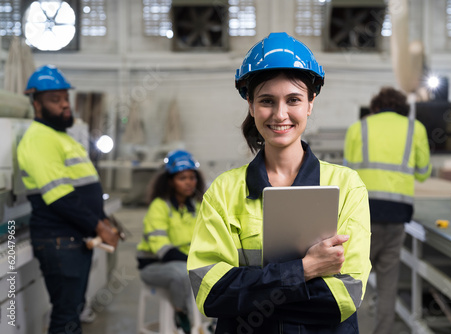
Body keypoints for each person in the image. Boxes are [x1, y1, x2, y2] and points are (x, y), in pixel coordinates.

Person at [187, 32, 371, 334]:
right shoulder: (225, 191)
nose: (280, 114)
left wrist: (251, 292)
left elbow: (343, 297)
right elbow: (211, 294)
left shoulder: (346, 186)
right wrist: (306, 269)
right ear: (250, 104)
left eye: (294, 100)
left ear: (311, 103)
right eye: (267, 101)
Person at [17, 65, 119, 334]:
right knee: (66, 315)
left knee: (72, 310)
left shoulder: (61, 136)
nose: (64, 105)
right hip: (59, 240)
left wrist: (104, 220)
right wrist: (99, 227)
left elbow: (83, 187)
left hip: (72, 238)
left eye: (65, 98)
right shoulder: (38, 139)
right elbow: (60, 196)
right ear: (36, 104)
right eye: (55, 100)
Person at [344, 86, 432, 334]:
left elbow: (347, 173)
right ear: (403, 109)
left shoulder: (358, 128)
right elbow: (424, 173)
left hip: (363, 216)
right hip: (397, 216)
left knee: (350, 281)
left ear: (375, 108)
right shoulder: (416, 129)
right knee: (387, 285)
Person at [136, 149, 206, 333]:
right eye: (183, 178)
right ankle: (181, 313)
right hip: (154, 266)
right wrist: (194, 262)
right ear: (170, 181)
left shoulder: (197, 206)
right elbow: (163, 250)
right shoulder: (159, 207)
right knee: (182, 274)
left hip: (184, 262)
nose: (189, 182)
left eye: (192, 177)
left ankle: (214, 321)